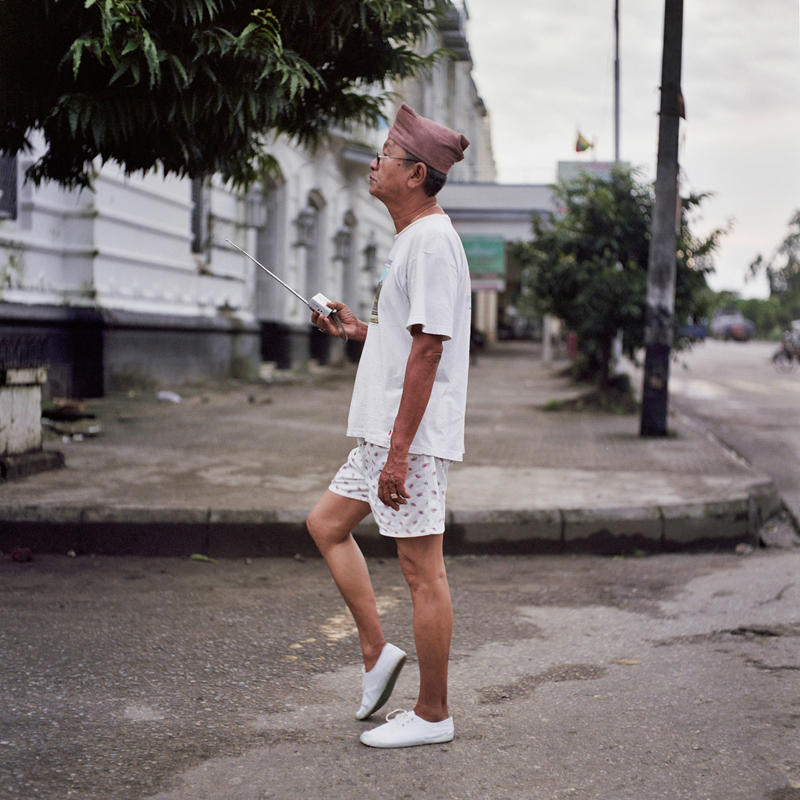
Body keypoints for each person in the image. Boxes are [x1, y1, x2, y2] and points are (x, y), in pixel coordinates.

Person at [305, 103, 471, 749]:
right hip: (386, 433)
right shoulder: (411, 240)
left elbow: (431, 349)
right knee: (326, 525)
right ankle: (377, 654)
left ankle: (433, 714)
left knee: (422, 571)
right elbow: (408, 338)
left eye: (385, 157)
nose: (374, 164)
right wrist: (357, 330)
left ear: (416, 173)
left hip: (410, 437)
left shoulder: (431, 241)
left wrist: (400, 453)